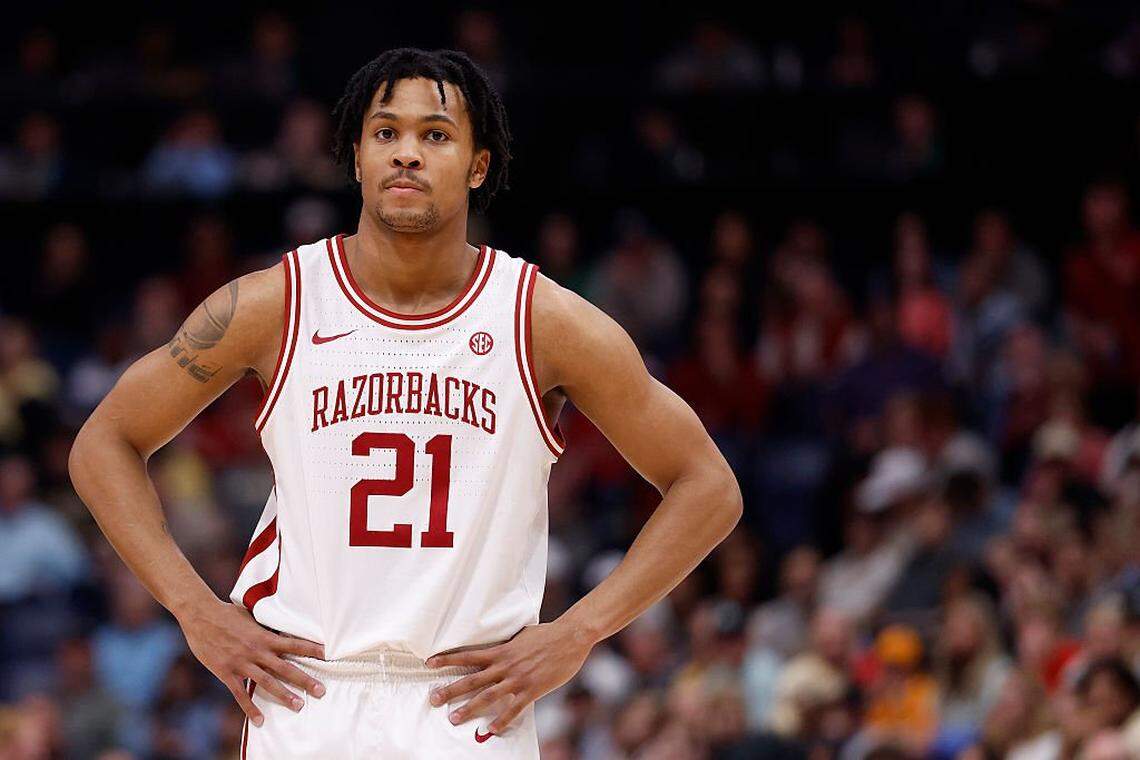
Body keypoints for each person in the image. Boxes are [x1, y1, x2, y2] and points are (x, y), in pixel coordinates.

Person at [67, 47, 743, 758]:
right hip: (307, 693)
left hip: (470, 702)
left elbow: (708, 487)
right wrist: (194, 610)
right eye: (385, 132)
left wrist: (579, 632)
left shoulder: (543, 320)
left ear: (478, 166)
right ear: (357, 157)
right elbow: (104, 443)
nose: (407, 153)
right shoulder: (274, 304)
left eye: (436, 135)